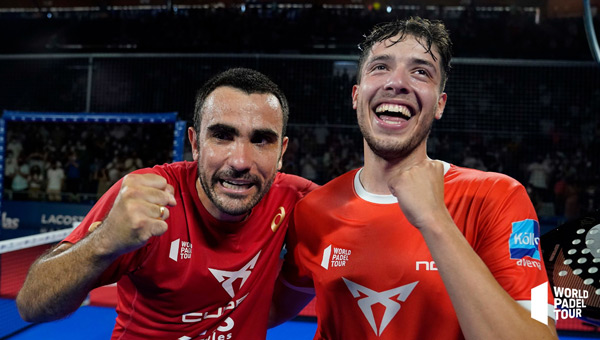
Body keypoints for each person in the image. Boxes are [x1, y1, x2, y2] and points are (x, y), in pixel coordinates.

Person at [272, 18, 558, 339]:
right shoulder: (313, 209)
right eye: (380, 67)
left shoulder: (499, 197)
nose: (397, 82)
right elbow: (253, 309)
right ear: (355, 96)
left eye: (420, 71)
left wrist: (435, 221)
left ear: (440, 104)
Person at [17, 68, 318, 340]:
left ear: (282, 151)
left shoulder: (297, 199)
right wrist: (103, 242)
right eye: (222, 136)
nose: (240, 161)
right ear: (196, 143)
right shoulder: (150, 194)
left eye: (262, 140)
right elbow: (32, 305)